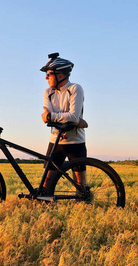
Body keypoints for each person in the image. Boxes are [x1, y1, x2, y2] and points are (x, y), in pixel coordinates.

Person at [40, 52, 88, 190]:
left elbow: (70, 117)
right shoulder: (48, 92)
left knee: (80, 185)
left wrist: (52, 116)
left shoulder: (75, 89)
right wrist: (73, 119)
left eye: (49, 74)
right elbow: (47, 118)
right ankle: (45, 206)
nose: (46, 77)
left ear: (60, 75)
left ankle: (84, 206)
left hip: (76, 141)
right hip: (56, 140)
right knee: (47, 181)